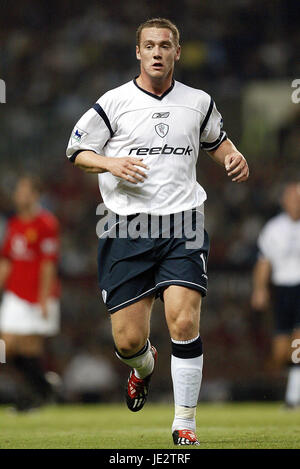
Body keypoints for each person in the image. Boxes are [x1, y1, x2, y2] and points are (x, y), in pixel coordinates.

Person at [66, 17, 249, 445]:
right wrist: (110, 162)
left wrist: (232, 155)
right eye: (149, 45)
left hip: (183, 221)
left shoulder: (198, 101)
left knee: (183, 320)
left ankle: (184, 423)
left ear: (177, 52)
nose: (157, 52)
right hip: (124, 226)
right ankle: (142, 366)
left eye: (165, 45)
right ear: (138, 52)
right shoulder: (113, 103)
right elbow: (76, 151)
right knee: (129, 339)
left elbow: (215, 140)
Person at [0, 175, 60, 411]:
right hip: (15, 293)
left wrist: (44, 298)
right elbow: (7, 260)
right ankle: (44, 385)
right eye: (18, 190)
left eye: (24, 190)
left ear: (35, 195)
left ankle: (34, 396)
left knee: (30, 347)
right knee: (6, 345)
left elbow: (48, 262)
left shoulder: (45, 223)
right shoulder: (14, 224)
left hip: (37, 295)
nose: (19, 194)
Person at [251, 181, 300, 408]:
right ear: (284, 201)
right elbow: (264, 262)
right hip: (282, 291)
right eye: (292, 198)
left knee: (298, 342)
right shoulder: (274, 228)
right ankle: (291, 389)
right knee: (281, 352)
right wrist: (260, 289)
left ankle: (293, 399)